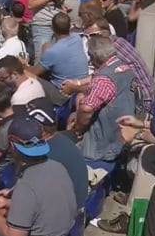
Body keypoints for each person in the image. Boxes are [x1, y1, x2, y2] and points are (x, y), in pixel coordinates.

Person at [0, 116, 78, 236]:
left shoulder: (26, 187)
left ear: (12, 145)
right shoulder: (58, 167)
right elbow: (44, 203)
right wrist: (11, 202)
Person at [72, 36, 140, 165]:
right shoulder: (125, 67)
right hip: (123, 134)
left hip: (102, 147)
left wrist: (79, 128)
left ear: (94, 57)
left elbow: (86, 109)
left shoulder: (103, 80)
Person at [25, 98, 89, 211]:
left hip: (65, 214)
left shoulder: (44, 156)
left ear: (40, 129)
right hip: (73, 204)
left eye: (26, 123)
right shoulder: (60, 139)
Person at [29, 12, 89, 89]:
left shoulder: (52, 52)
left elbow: (34, 72)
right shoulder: (77, 38)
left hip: (63, 91)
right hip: (82, 84)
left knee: (31, 77)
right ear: (69, 26)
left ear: (52, 28)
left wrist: (23, 65)